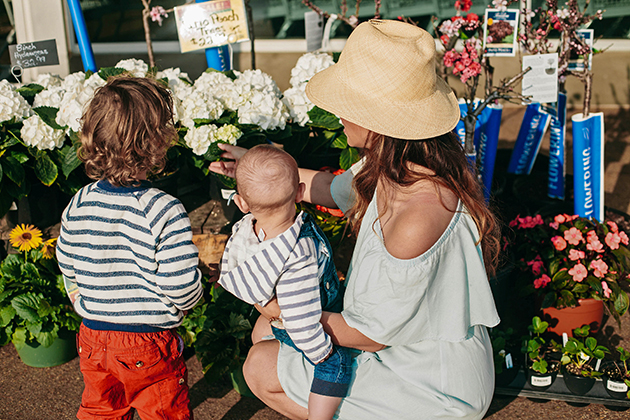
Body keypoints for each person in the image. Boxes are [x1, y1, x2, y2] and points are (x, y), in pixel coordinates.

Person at [210, 19, 501, 420]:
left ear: (382, 120)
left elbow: (369, 334)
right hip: (415, 354)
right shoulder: (398, 168)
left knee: (259, 365)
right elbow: (329, 189)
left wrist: (275, 307)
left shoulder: (416, 216)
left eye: (350, 101)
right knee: (264, 341)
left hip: (432, 386)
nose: (338, 111)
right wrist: (258, 170)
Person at [56, 76, 203, 420]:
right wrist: (189, 301)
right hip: (147, 341)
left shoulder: (81, 201)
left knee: (101, 409)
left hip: (93, 335)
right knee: (162, 409)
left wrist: (80, 296)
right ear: (156, 143)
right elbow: (179, 285)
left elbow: (66, 258)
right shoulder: (163, 209)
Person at [217, 144, 351, 420]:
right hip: (302, 329)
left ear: (241, 203)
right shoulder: (298, 252)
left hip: (277, 323)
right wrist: (322, 351)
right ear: (301, 193)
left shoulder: (244, 232)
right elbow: (301, 320)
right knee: (336, 366)